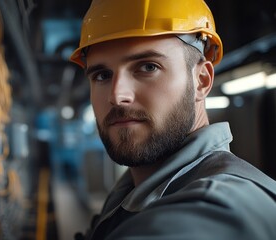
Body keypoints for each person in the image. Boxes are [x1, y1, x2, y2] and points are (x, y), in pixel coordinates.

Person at [69, 0, 276, 239]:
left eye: (147, 67)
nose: (117, 96)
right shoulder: (129, 192)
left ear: (202, 81)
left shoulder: (223, 208)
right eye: (102, 75)